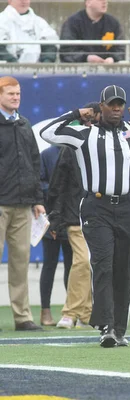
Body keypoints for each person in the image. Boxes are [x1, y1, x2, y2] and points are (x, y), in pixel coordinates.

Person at [40, 85, 130, 347]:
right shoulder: (83, 134)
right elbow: (47, 133)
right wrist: (75, 114)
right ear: (100, 107)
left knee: (124, 268)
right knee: (103, 265)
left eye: (120, 104)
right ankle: (106, 327)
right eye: (111, 104)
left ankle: (119, 329)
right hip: (96, 206)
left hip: (127, 207)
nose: (116, 109)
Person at [49, 102, 100, 330]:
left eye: (95, 121)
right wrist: (56, 218)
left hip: (101, 215)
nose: (90, 125)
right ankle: (70, 312)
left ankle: (86, 313)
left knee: (91, 264)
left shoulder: (106, 146)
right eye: (87, 120)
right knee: (82, 261)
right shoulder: (70, 148)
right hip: (75, 214)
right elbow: (58, 185)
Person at [0, 75, 44, 332]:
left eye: (18, 94)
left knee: (20, 263)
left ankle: (22, 317)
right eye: (10, 94)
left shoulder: (25, 124)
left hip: (23, 205)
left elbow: (33, 164)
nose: (16, 97)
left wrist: (37, 199)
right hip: (1, 203)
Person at [39, 145, 73, 327]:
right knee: (49, 265)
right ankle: (45, 311)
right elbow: (40, 181)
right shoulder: (47, 154)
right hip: (51, 216)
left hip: (71, 217)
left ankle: (71, 310)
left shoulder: (77, 151)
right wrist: (54, 191)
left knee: (73, 266)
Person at [59, 0, 124, 63]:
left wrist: (112, 59)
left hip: (109, 69)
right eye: (100, 0)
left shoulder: (113, 23)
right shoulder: (72, 23)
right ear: (88, 2)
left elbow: (121, 49)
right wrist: (87, 58)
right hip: (79, 70)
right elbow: (66, 51)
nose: (105, 2)